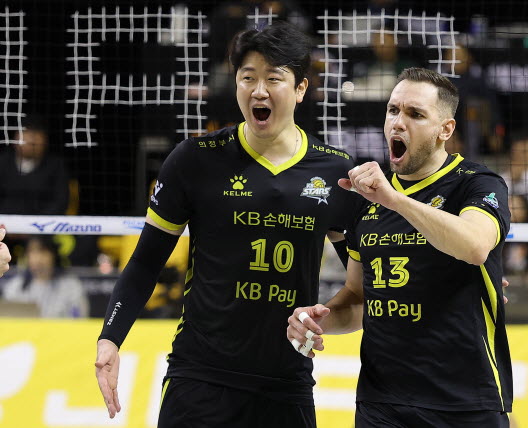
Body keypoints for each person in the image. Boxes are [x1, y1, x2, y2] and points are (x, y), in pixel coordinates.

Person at [94, 22, 354, 428]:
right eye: (248, 78)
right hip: (199, 378)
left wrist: (327, 318)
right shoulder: (195, 159)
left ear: (301, 88)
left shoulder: (335, 171)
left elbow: (364, 284)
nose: (258, 90)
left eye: (273, 78)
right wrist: (111, 338)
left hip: (286, 383)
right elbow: (145, 263)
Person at [288, 68, 512, 427]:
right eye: (393, 110)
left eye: (415, 114)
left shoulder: (476, 183)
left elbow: (475, 246)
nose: (398, 122)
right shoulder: (366, 199)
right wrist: (320, 320)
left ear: (445, 130)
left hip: (465, 401)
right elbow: (358, 297)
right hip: (382, 402)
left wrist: (395, 201)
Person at [2, 235, 88, 318]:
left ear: (53, 254)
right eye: (31, 251)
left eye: (42, 251)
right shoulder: (16, 285)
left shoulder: (71, 286)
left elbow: (78, 319)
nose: (37, 257)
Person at [0, 115, 69, 215]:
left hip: (42, 222)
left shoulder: (56, 166)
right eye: (26, 134)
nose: (32, 141)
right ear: (16, 137)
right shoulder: (3, 162)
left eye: (37, 135)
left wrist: (37, 222)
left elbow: (61, 201)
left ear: (45, 140)